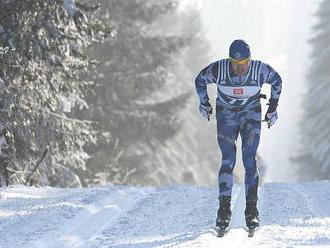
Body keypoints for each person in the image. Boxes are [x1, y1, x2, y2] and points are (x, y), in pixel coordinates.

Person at [194, 39, 282, 231]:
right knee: (228, 160)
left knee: (249, 159)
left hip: (251, 115)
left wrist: (272, 109)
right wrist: (205, 103)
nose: (240, 68)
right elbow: (200, 80)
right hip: (227, 115)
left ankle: (252, 211)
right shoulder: (219, 69)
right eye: (235, 64)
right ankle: (223, 210)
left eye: (244, 64)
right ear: (229, 60)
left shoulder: (260, 70)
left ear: (250, 60)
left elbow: (277, 81)